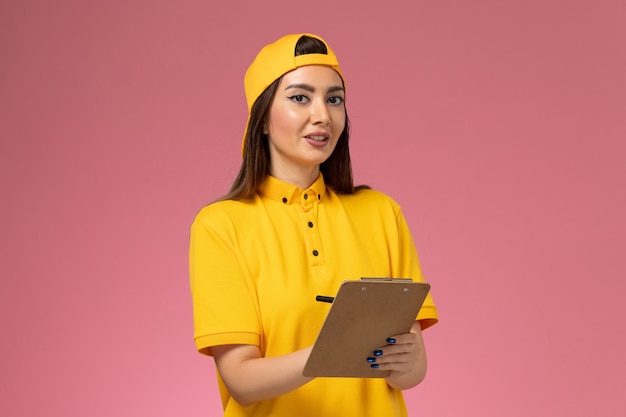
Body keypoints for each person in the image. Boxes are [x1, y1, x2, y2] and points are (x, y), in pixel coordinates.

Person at [189, 33, 438, 417]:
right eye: (300, 97)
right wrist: (335, 350)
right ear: (263, 120)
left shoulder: (382, 213)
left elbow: (410, 372)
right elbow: (241, 381)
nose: (322, 115)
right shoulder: (221, 225)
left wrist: (407, 363)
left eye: (334, 99)